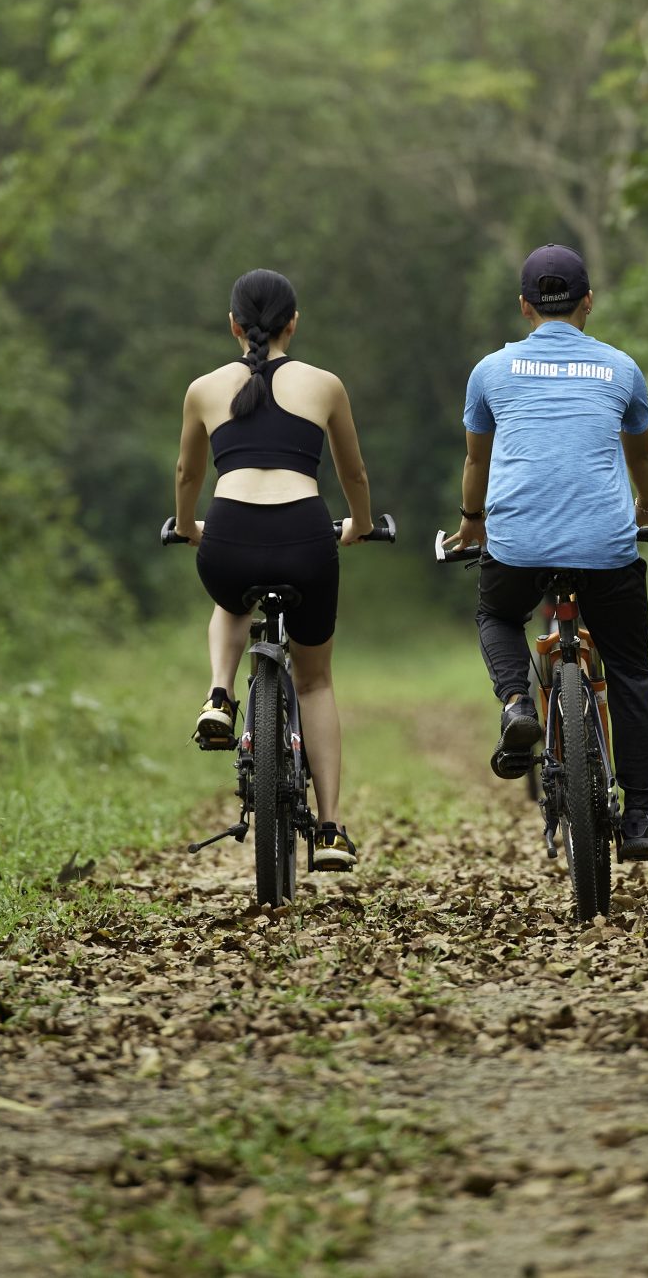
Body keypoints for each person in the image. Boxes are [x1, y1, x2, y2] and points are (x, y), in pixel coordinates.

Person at [447, 244, 648, 861]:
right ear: (588, 304)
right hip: (605, 545)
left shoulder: (491, 371)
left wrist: (471, 523)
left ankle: (518, 702)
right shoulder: (621, 368)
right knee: (629, 670)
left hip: (517, 544)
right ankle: (639, 817)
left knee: (497, 616)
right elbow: (641, 459)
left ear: (525, 307)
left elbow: (477, 459)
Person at [171, 269, 375, 871]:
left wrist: (187, 527)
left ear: (233, 325)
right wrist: (359, 524)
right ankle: (332, 830)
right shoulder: (325, 385)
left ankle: (218, 694)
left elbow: (187, 477)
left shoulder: (202, 388)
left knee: (231, 600)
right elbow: (353, 475)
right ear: (294, 322)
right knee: (314, 682)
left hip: (229, 535)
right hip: (306, 539)